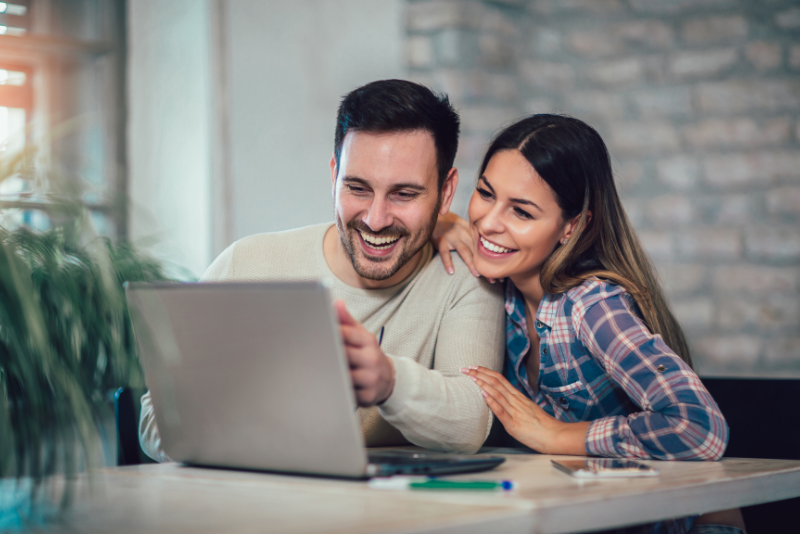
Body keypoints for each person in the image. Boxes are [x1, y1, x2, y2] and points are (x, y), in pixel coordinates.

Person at [138, 79, 506, 462]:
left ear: (446, 192)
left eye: (404, 194)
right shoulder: (246, 264)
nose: (376, 219)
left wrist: (389, 382)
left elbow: (470, 422)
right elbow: (155, 421)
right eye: (358, 188)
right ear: (334, 176)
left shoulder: (466, 276)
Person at [433, 114, 745, 534]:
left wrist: (559, 436)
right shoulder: (501, 286)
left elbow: (701, 428)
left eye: (522, 212)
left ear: (573, 226)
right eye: (485, 193)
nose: (489, 222)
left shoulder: (591, 305)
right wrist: (443, 222)